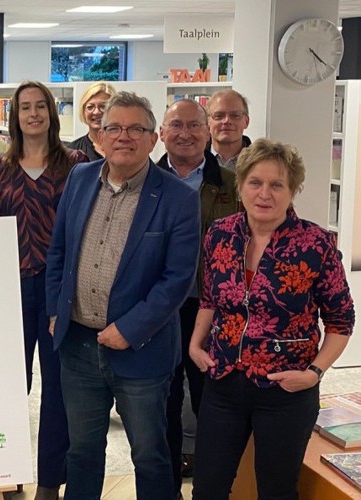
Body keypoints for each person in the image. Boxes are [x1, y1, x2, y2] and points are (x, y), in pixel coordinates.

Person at [46, 91, 200, 500]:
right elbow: (59, 250)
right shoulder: (79, 180)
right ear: (99, 136)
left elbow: (177, 280)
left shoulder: (178, 198)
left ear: (153, 139)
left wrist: (128, 330)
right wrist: (54, 310)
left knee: (149, 454)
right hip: (77, 344)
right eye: (113, 127)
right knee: (82, 451)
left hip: (140, 350)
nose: (123, 137)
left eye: (136, 128)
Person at [190, 139, 355, 499]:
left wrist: (313, 373)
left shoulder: (316, 244)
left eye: (277, 184)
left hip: (286, 390)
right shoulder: (220, 235)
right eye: (255, 182)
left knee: (277, 491)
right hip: (223, 382)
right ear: (241, 185)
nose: (265, 193)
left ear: (292, 190)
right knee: (207, 488)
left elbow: (342, 321)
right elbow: (209, 298)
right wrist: (195, 343)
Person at [0, 81, 87, 500]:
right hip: (9, 289)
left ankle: (48, 482)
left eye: (41, 106)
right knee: (8, 386)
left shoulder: (76, 166)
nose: (34, 113)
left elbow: (82, 231)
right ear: (15, 116)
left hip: (59, 290)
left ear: (52, 113)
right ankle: (6, 475)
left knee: (57, 387)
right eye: (25, 107)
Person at [154, 99, 240, 497]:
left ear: (208, 133)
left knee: (213, 407)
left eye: (193, 126)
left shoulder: (233, 184)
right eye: (176, 125)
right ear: (161, 133)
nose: (185, 133)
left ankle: (208, 489)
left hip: (215, 313)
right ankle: (168, 487)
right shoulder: (145, 181)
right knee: (163, 404)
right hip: (159, 311)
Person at [67, 81, 116, 161]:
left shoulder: (124, 146)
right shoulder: (72, 152)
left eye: (103, 106)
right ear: (83, 111)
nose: (96, 112)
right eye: (90, 107)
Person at [206, 89, 252, 172]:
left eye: (235, 115)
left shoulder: (261, 162)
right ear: (207, 122)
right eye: (219, 115)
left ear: (246, 121)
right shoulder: (193, 160)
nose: (227, 121)